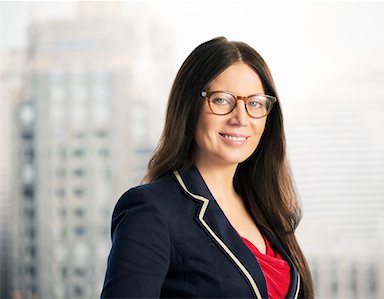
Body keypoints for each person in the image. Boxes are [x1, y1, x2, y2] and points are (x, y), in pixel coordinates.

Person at [101, 36, 314, 299]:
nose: (240, 118)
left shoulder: (267, 209)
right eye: (222, 100)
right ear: (189, 107)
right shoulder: (151, 210)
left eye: (255, 103)